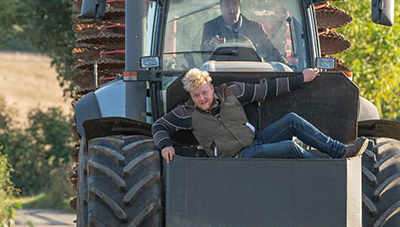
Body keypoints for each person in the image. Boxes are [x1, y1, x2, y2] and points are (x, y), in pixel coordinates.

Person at [152, 68, 368, 162]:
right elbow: (158, 126)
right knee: (290, 147)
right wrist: (165, 146)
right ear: (191, 95)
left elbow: (267, 89)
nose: (202, 99)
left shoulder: (231, 92)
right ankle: (323, 172)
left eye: (204, 92)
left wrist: (301, 79)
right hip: (236, 158)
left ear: (211, 87)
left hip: (254, 142)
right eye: (196, 95)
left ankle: (340, 152)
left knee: (292, 121)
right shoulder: (186, 113)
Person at [200, 0, 284, 62]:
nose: (231, 11)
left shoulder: (255, 28)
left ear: (240, 7)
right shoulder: (210, 27)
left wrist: (288, 68)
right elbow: (204, 58)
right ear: (221, 8)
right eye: (226, 6)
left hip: (250, 75)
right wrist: (212, 47)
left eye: (234, 5)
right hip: (221, 74)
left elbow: (272, 54)